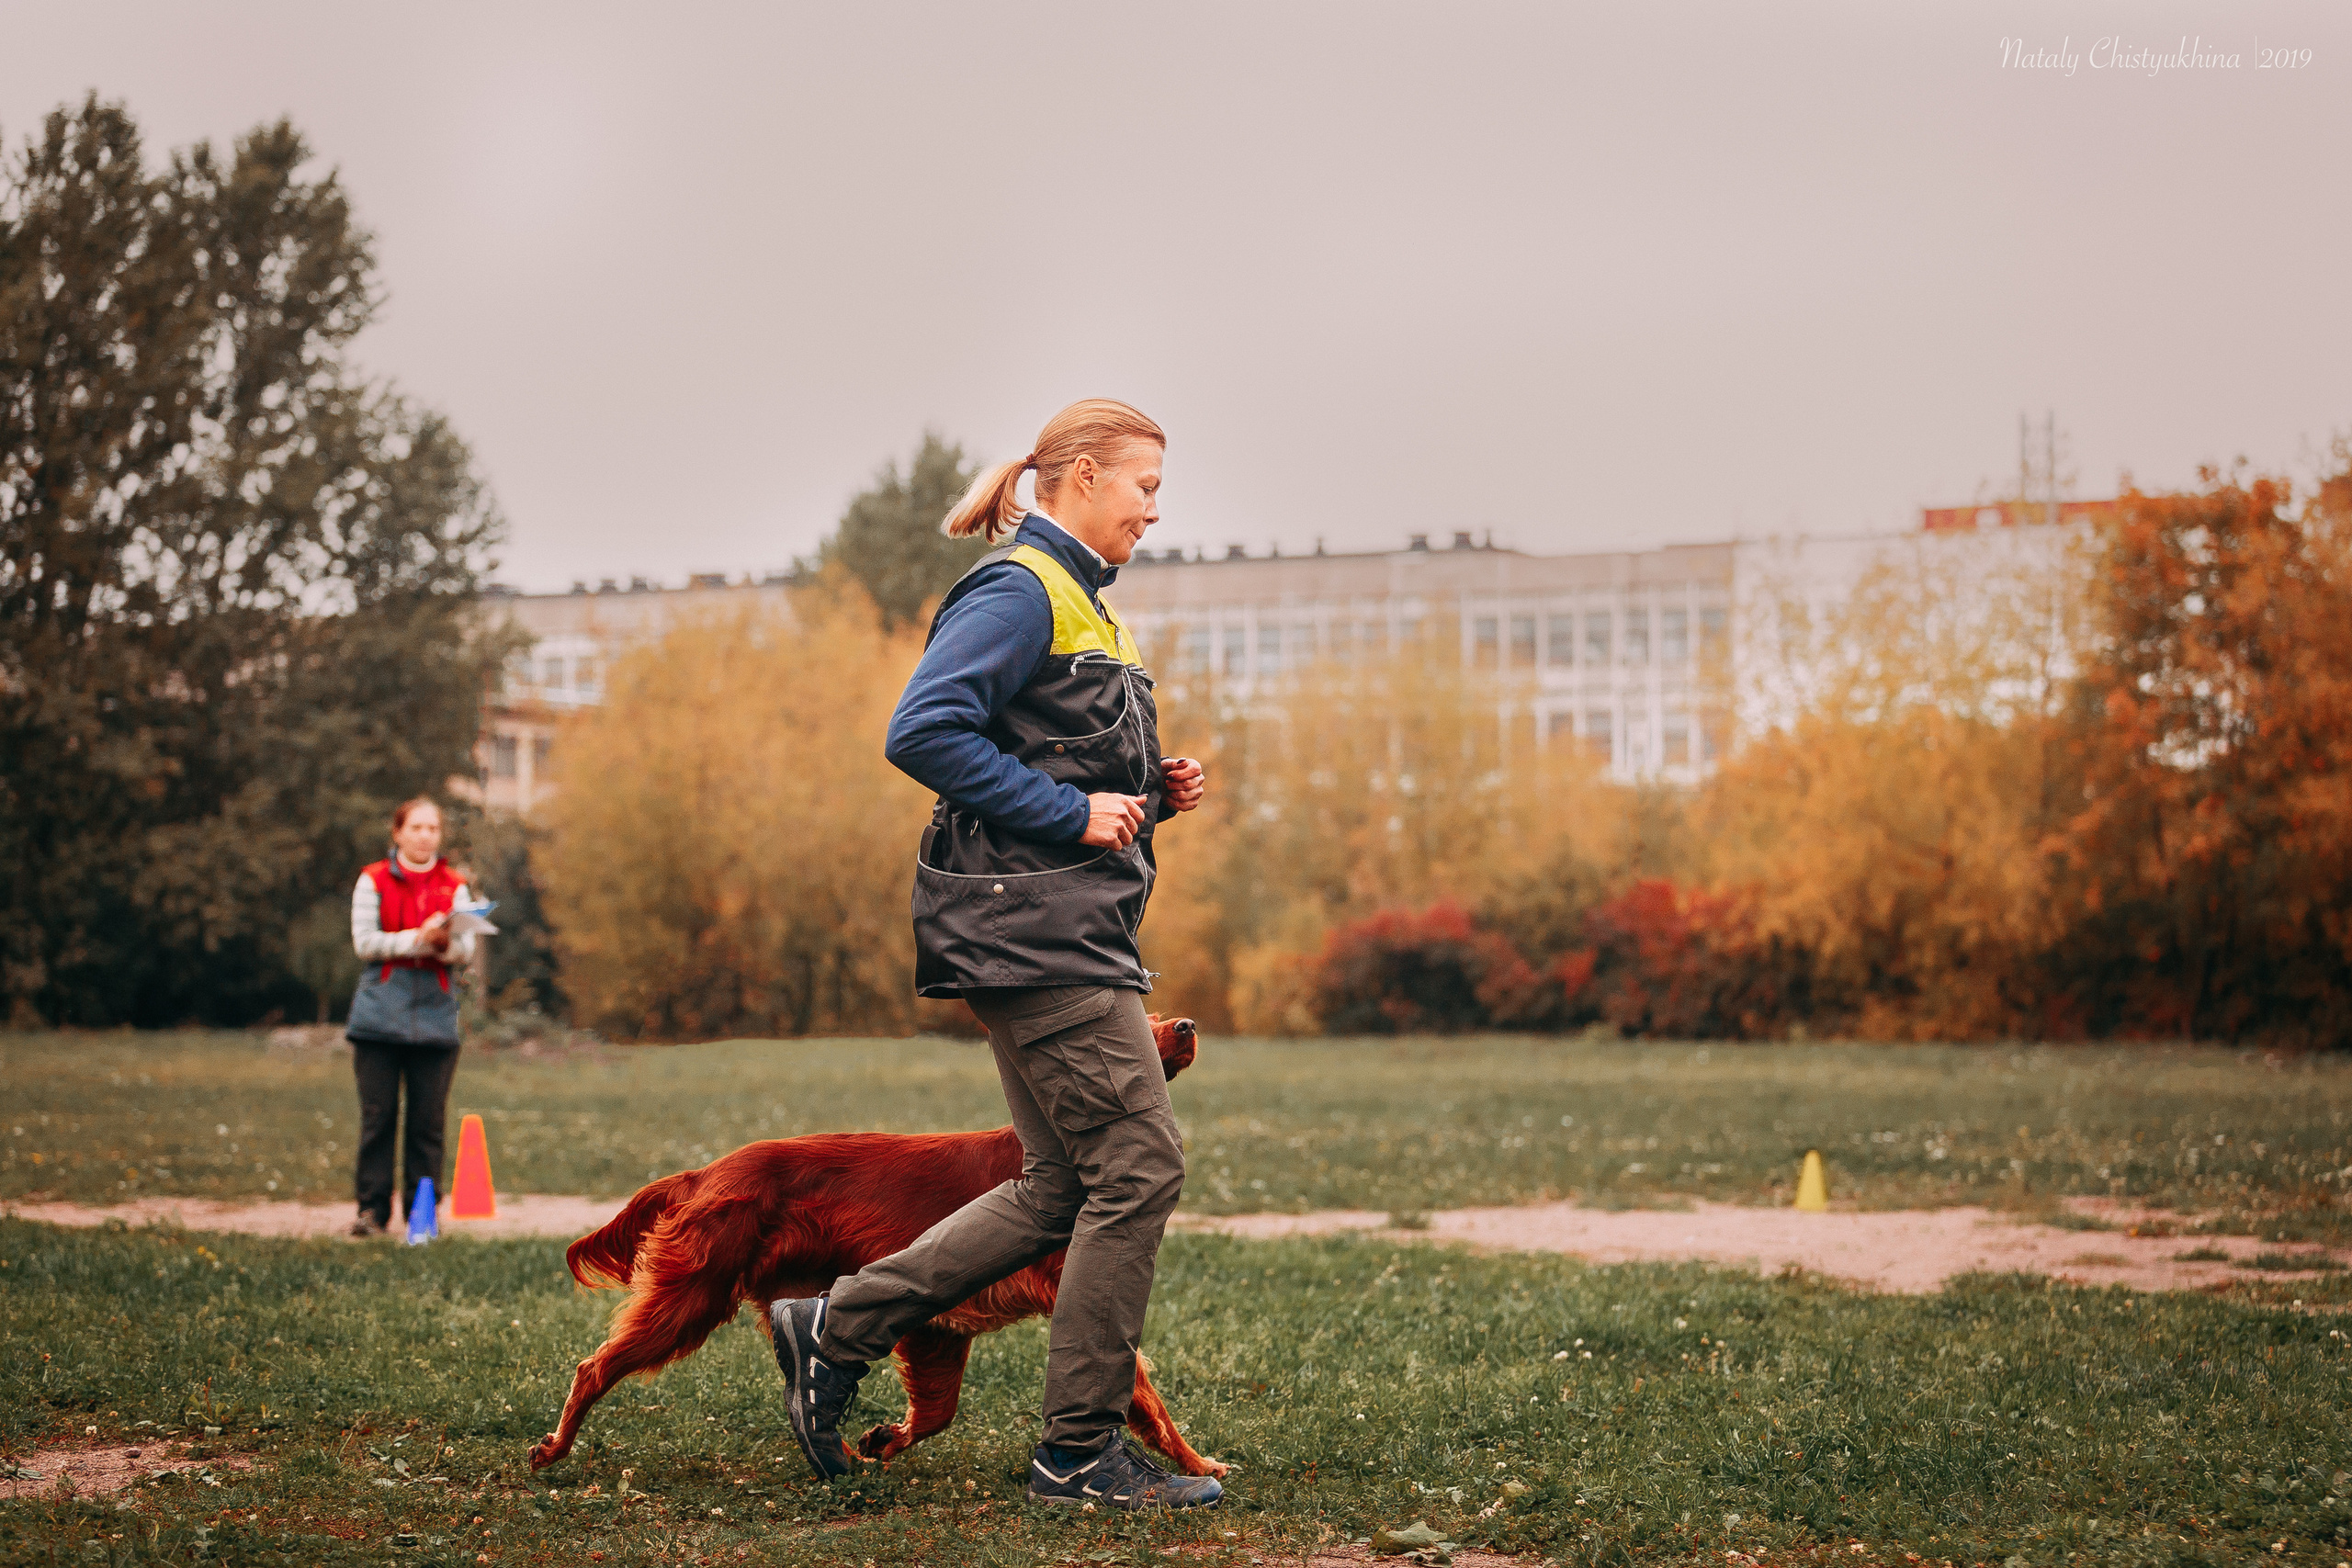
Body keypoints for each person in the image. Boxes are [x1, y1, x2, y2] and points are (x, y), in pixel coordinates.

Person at [770, 399, 1220, 1509]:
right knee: (1140, 1167)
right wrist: (1075, 817)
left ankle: (838, 1325)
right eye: (1143, 486)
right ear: (1075, 477)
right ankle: (1075, 1453)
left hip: (1053, 927)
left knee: (1060, 1183)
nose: (1155, 510)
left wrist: (1146, 794)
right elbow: (922, 729)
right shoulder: (1020, 589)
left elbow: (1045, 754)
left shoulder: (1081, 605)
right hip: (1040, 937)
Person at [344, 795, 480, 1239]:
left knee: (428, 1123)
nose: (426, 836)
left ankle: (423, 1215)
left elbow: (466, 951)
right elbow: (365, 943)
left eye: (433, 829)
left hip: (436, 1019)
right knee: (378, 1117)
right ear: (398, 832)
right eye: (417, 828)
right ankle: (372, 1211)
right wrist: (416, 940)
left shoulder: (455, 886)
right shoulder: (372, 880)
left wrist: (445, 946)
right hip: (379, 1017)